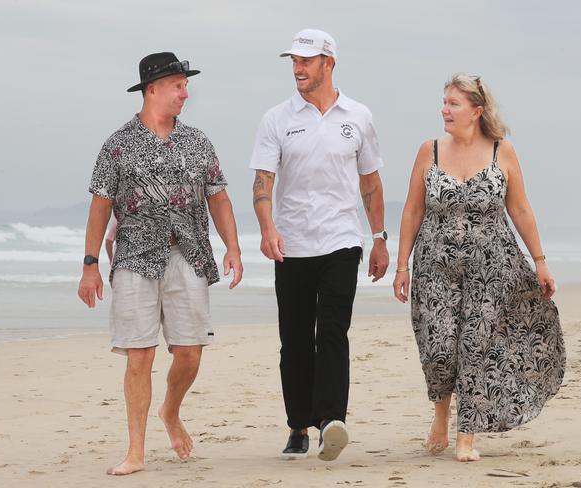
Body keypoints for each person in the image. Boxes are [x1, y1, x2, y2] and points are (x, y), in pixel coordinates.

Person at [77, 52, 243, 475]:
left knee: (189, 354)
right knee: (139, 357)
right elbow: (100, 206)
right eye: (177, 85)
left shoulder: (198, 141)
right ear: (152, 89)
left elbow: (219, 198)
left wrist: (234, 248)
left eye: (185, 85)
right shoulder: (118, 144)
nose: (185, 92)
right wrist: (90, 264)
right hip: (134, 256)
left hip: (188, 252)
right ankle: (136, 451)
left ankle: (170, 411)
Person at [393, 74, 565, 462]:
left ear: (476, 110)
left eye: (453, 103)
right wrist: (402, 265)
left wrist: (540, 261)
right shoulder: (429, 150)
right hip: (434, 265)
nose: (444, 109)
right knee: (438, 347)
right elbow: (413, 209)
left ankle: (466, 434)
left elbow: (519, 208)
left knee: (475, 347)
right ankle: (441, 413)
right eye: (444, 102)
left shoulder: (502, 152)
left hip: (493, 268)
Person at [250, 28, 389, 462]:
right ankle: (298, 426)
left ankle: (330, 420)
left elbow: (370, 182)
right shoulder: (277, 119)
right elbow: (262, 181)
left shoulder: (358, 116)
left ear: (329, 63)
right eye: (294, 60)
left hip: (342, 241)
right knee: (294, 339)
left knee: (332, 331)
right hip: (290, 245)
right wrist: (267, 226)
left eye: (306, 60)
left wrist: (380, 238)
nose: (298, 68)